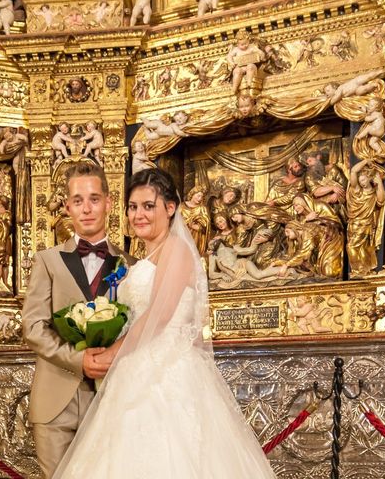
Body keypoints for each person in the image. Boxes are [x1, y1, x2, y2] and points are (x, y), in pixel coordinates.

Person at [52, 168, 275, 478]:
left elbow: (159, 316)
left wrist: (111, 354)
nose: (138, 215)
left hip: (168, 373)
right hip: (136, 366)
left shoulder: (177, 249)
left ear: (170, 208)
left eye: (148, 206)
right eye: (133, 206)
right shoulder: (142, 259)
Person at [22, 162, 133, 478]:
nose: (87, 209)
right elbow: (33, 326)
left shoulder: (132, 265)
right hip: (55, 403)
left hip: (113, 400)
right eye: (78, 200)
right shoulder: (47, 261)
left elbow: (140, 329)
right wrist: (77, 360)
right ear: (67, 206)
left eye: (95, 199)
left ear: (109, 203)